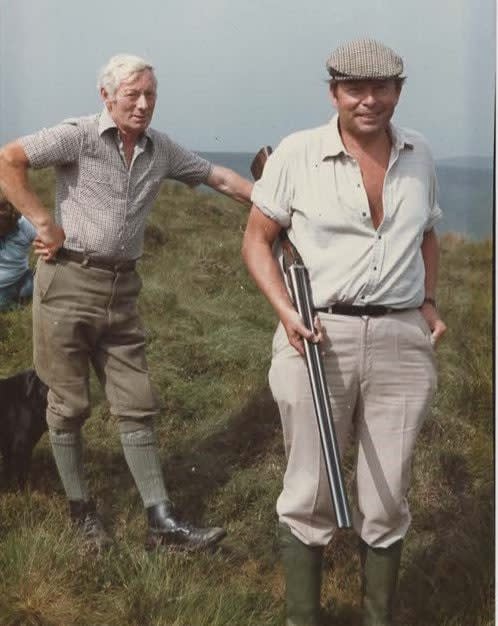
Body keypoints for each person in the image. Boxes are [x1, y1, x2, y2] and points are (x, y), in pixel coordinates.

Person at [0, 53, 253, 552]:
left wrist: (276, 206)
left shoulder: (161, 151)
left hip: (122, 292)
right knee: (68, 405)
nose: (142, 105)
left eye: (150, 95)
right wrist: (44, 222)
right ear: (107, 97)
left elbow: (218, 178)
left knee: (138, 406)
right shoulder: (77, 135)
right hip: (67, 283)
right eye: (132, 94)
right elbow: (8, 160)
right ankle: (82, 516)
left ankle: (163, 524)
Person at [242, 38, 447, 625]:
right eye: (355, 88)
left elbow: (428, 235)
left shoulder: (421, 154)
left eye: (382, 88)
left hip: (402, 341)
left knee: (386, 497)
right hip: (316, 337)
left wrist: (428, 303)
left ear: (397, 92)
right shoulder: (297, 154)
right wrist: (285, 311)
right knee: (309, 493)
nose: (369, 100)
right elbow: (257, 241)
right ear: (334, 92)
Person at [0, 197, 36, 311]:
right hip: (2, 287)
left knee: (42, 282)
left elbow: (45, 241)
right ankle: (17, 307)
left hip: (23, 277)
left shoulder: (23, 224)